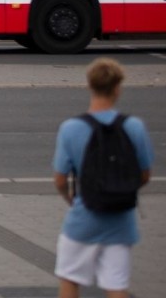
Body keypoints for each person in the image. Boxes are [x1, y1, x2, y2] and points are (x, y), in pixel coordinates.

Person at [50, 58, 154, 298]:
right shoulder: (134, 126)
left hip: (83, 218)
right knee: (116, 285)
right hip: (121, 220)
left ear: (90, 86)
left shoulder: (71, 127)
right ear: (118, 88)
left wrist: (73, 200)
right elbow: (145, 173)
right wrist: (122, 190)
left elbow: (59, 179)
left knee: (70, 279)